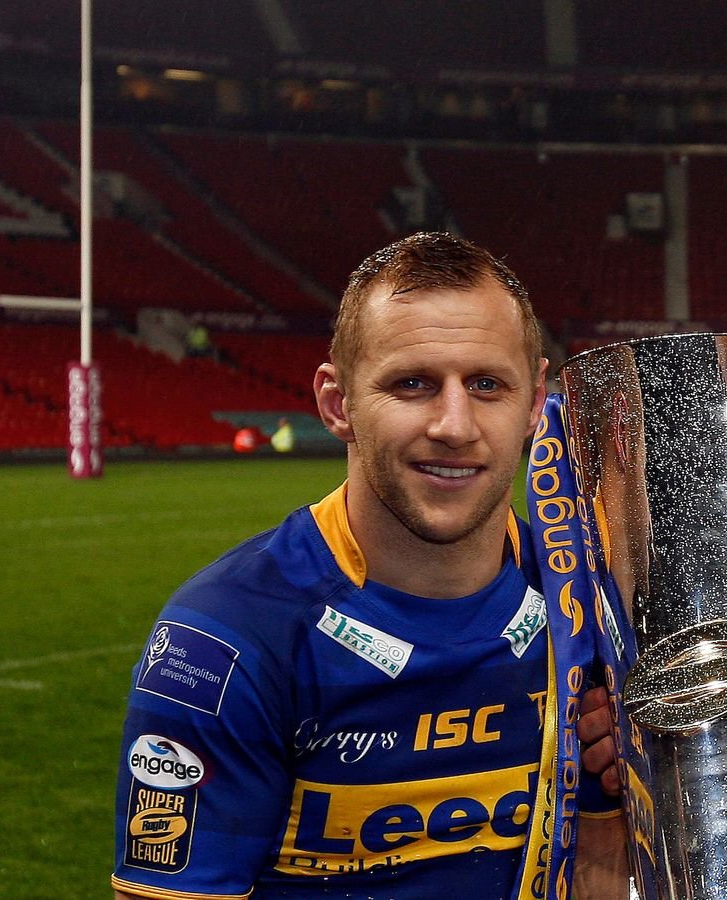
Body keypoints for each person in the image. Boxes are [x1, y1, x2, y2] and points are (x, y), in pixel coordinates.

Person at [113, 232, 624, 900]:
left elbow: (605, 872)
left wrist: (617, 819)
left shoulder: (590, 606)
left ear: (535, 405)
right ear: (337, 403)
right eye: (412, 383)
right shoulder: (223, 643)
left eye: (487, 384)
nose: (454, 424)